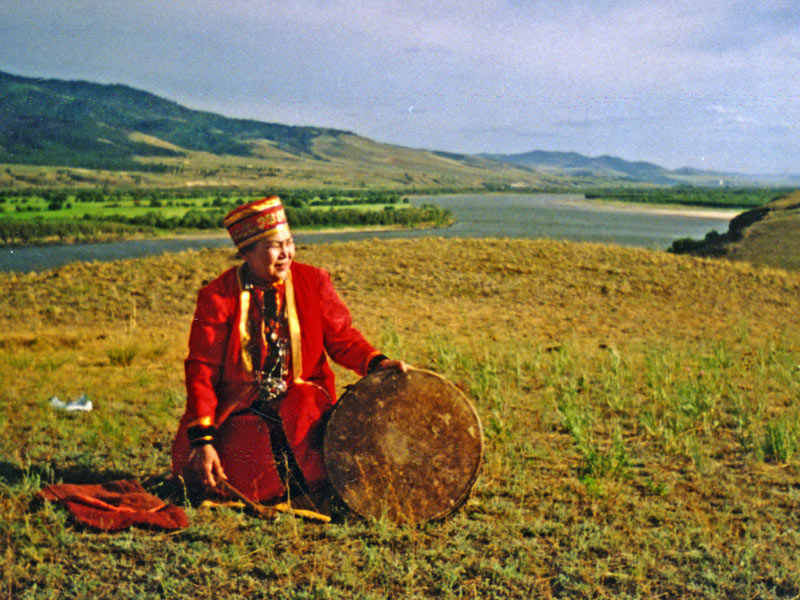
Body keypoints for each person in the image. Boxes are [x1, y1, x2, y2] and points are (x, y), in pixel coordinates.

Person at [171, 196, 407, 505]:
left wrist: (376, 363)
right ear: (246, 253)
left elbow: (343, 338)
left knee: (304, 405)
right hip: (240, 411)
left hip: (303, 409)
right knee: (215, 478)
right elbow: (202, 371)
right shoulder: (217, 297)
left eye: (289, 243)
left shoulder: (313, 281)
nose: (286, 254)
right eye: (274, 246)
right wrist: (204, 443)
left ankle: (319, 486)